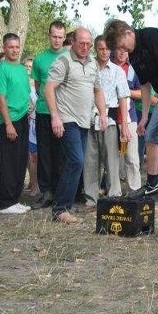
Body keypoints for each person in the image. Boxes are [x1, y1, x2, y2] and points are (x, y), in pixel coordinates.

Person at [103, 19, 158, 205]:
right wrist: (143, 118)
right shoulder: (133, 55)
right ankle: (152, 185)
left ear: (127, 32)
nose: (123, 50)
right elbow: (144, 84)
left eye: (121, 45)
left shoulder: (150, 36)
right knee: (151, 135)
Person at [45, 27, 107, 223]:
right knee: (76, 160)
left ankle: (64, 206)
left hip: (84, 121)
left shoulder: (92, 64)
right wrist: (55, 116)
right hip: (67, 120)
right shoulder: (63, 61)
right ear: (72, 41)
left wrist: (103, 114)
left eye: (89, 44)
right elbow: (48, 88)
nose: (85, 47)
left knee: (75, 163)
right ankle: (60, 209)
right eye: (82, 43)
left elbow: (98, 91)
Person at [83, 36, 130, 205]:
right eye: (101, 49)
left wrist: (124, 125)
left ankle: (114, 194)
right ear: (96, 49)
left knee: (112, 159)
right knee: (90, 160)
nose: (104, 52)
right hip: (88, 118)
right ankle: (91, 197)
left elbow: (123, 97)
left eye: (107, 49)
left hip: (109, 118)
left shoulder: (117, 71)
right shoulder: (88, 68)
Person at [30, 20, 67, 209]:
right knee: (44, 152)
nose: (57, 40)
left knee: (61, 154)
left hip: (64, 113)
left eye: (61, 37)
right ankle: (46, 192)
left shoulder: (69, 57)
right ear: (49, 35)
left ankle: (60, 192)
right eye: (54, 36)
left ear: (65, 37)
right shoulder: (39, 59)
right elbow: (38, 86)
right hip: (43, 111)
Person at [0, 33, 31, 215]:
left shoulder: (20, 68)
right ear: (4, 48)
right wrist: (8, 124)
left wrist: (29, 105)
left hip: (23, 118)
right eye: (11, 47)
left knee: (19, 160)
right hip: (10, 120)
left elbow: (24, 91)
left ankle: (15, 199)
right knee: (8, 162)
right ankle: (5, 202)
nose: (15, 50)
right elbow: (0, 99)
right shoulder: (1, 69)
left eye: (17, 47)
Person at [113, 47, 143, 195]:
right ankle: (113, 190)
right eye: (119, 49)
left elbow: (143, 92)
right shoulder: (108, 66)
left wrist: (124, 91)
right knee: (113, 157)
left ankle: (134, 189)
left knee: (131, 157)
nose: (122, 53)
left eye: (125, 50)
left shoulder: (132, 69)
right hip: (110, 119)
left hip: (129, 119)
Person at [24, 57, 39, 196]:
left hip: (39, 123)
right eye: (26, 67)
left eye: (30, 67)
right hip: (28, 124)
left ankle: (39, 184)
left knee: (39, 156)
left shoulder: (38, 84)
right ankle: (34, 184)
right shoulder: (23, 85)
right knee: (31, 156)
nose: (28, 69)